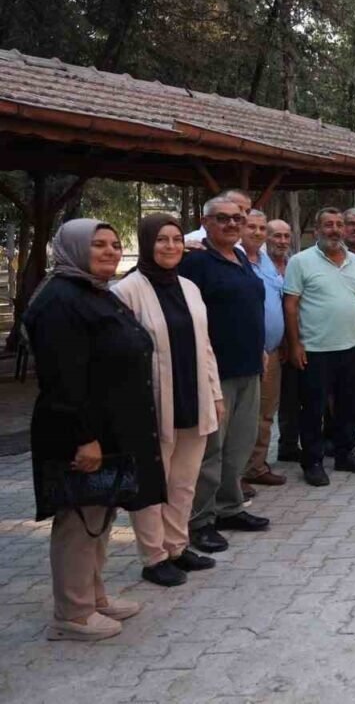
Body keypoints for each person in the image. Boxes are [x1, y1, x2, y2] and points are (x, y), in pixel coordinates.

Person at [26, 220, 163, 640]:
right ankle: (72, 614)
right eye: (97, 244)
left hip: (110, 430)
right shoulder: (60, 301)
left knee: (100, 513)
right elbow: (62, 380)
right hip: (81, 434)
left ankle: (93, 596)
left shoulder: (92, 291)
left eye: (114, 244)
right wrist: (84, 438)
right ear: (73, 249)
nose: (109, 251)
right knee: (79, 520)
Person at [113, 214, 222, 587]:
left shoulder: (189, 287)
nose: (171, 246)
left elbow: (205, 346)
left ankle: (177, 546)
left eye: (176, 239)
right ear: (147, 243)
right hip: (152, 403)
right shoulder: (126, 291)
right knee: (152, 483)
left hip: (193, 396)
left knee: (183, 481)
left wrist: (215, 394)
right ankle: (154, 556)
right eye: (162, 239)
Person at [179, 195, 268, 552]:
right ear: (206, 222)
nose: (232, 224)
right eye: (223, 218)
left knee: (239, 445)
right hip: (216, 372)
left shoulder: (241, 258)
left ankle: (229, 508)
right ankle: (199, 521)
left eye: (237, 218)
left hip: (249, 367)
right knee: (211, 450)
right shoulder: (195, 262)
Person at [284, 206, 355, 487]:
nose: (335, 230)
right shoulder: (300, 261)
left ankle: (345, 454)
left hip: (351, 346)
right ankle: (312, 461)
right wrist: (295, 344)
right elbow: (291, 305)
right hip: (315, 349)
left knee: (349, 405)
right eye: (328, 224)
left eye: (339, 224)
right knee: (313, 408)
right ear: (316, 230)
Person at [240, 211, 287, 494]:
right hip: (245, 353)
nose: (257, 233)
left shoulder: (266, 261)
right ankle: (235, 475)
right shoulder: (234, 259)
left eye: (261, 228)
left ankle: (256, 466)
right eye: (252, 227)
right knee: (242, 417)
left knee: (266, 414)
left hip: (272, 351)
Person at [248, 219, 300, 471]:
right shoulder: (249, 263)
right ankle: (246, 469)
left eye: (286, 236)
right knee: (253, 412)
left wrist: (290, 342)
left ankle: (259, 464)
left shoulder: (290, 265)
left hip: (283, 347)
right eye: (276, 235)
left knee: (273, 409)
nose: (281, 241)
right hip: (256, 351)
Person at [183, 189, 251, 247]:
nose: (244, 216)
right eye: (239, 208)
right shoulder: (190, 242)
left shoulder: (241, 245)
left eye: (247, 211)